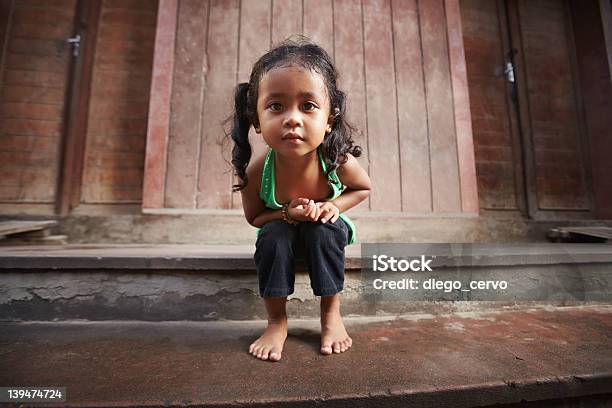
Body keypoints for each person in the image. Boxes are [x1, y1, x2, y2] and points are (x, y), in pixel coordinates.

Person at [227, 36, 371, 362]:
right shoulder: (258, 171)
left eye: (308, 106)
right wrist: (288, 216)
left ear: (329, 119)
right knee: (272, 236)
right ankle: (277, 321)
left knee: (325, 229)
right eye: (276, 106)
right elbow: (256, 219)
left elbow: (362, 188)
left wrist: (332, 207)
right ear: (257, 121)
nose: (293, 118)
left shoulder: (336, 158)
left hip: (324, 231)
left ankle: (331, 315)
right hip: (284, 232)